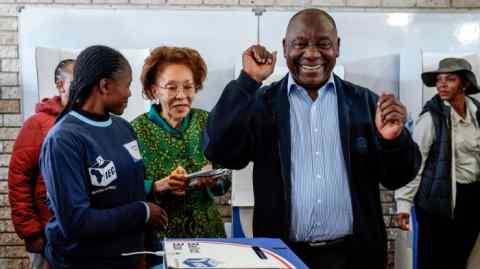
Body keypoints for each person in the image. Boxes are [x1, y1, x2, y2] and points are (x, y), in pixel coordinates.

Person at [203, 8, 420, 269]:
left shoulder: (364, 104)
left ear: (337, 47)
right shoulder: (263, 104)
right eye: (300, 44)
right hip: (284, 256)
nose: (312, 53)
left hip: (355, 255)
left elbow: (398, 177)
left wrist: (393, 141)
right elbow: (219, 150)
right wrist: (247, 82)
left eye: (323, 44)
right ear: (285, 48)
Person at [39, 45, 168, 269]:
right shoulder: (64, 139)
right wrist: (142, 212)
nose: (129, 93)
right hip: (82, 262)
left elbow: (133, 191)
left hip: (130, 259)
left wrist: (153, 256)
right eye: (127, 85)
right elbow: (76, 222)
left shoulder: (124, 128)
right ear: (105, 85)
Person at [131, 46, 231, 269]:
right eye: (171, 87)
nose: (182, 95)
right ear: (154, 89)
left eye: (189, 86)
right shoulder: (135, 131)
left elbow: (225, 176)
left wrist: (214, 180)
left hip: (209, 238)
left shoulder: (206, 122)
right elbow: (125, 189)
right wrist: (156, 187)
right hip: (161, 241)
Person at [395, 58, 480, 269]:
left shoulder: (477, 112)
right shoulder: (431, 118)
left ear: (465, 84)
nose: (441, 84)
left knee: (460, 259)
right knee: (433, 260)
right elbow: (414, 163)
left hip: (472, 199)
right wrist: (403, 203)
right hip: (438, 201)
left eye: (450, 79)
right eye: (439, 80)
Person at [8, 59, 74, 269]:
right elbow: (19, 181)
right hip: (45, 236)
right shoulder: (36, 125)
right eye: (77, 81)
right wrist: (31, 232)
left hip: (79, 236)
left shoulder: (88, 122)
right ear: (60, 84)